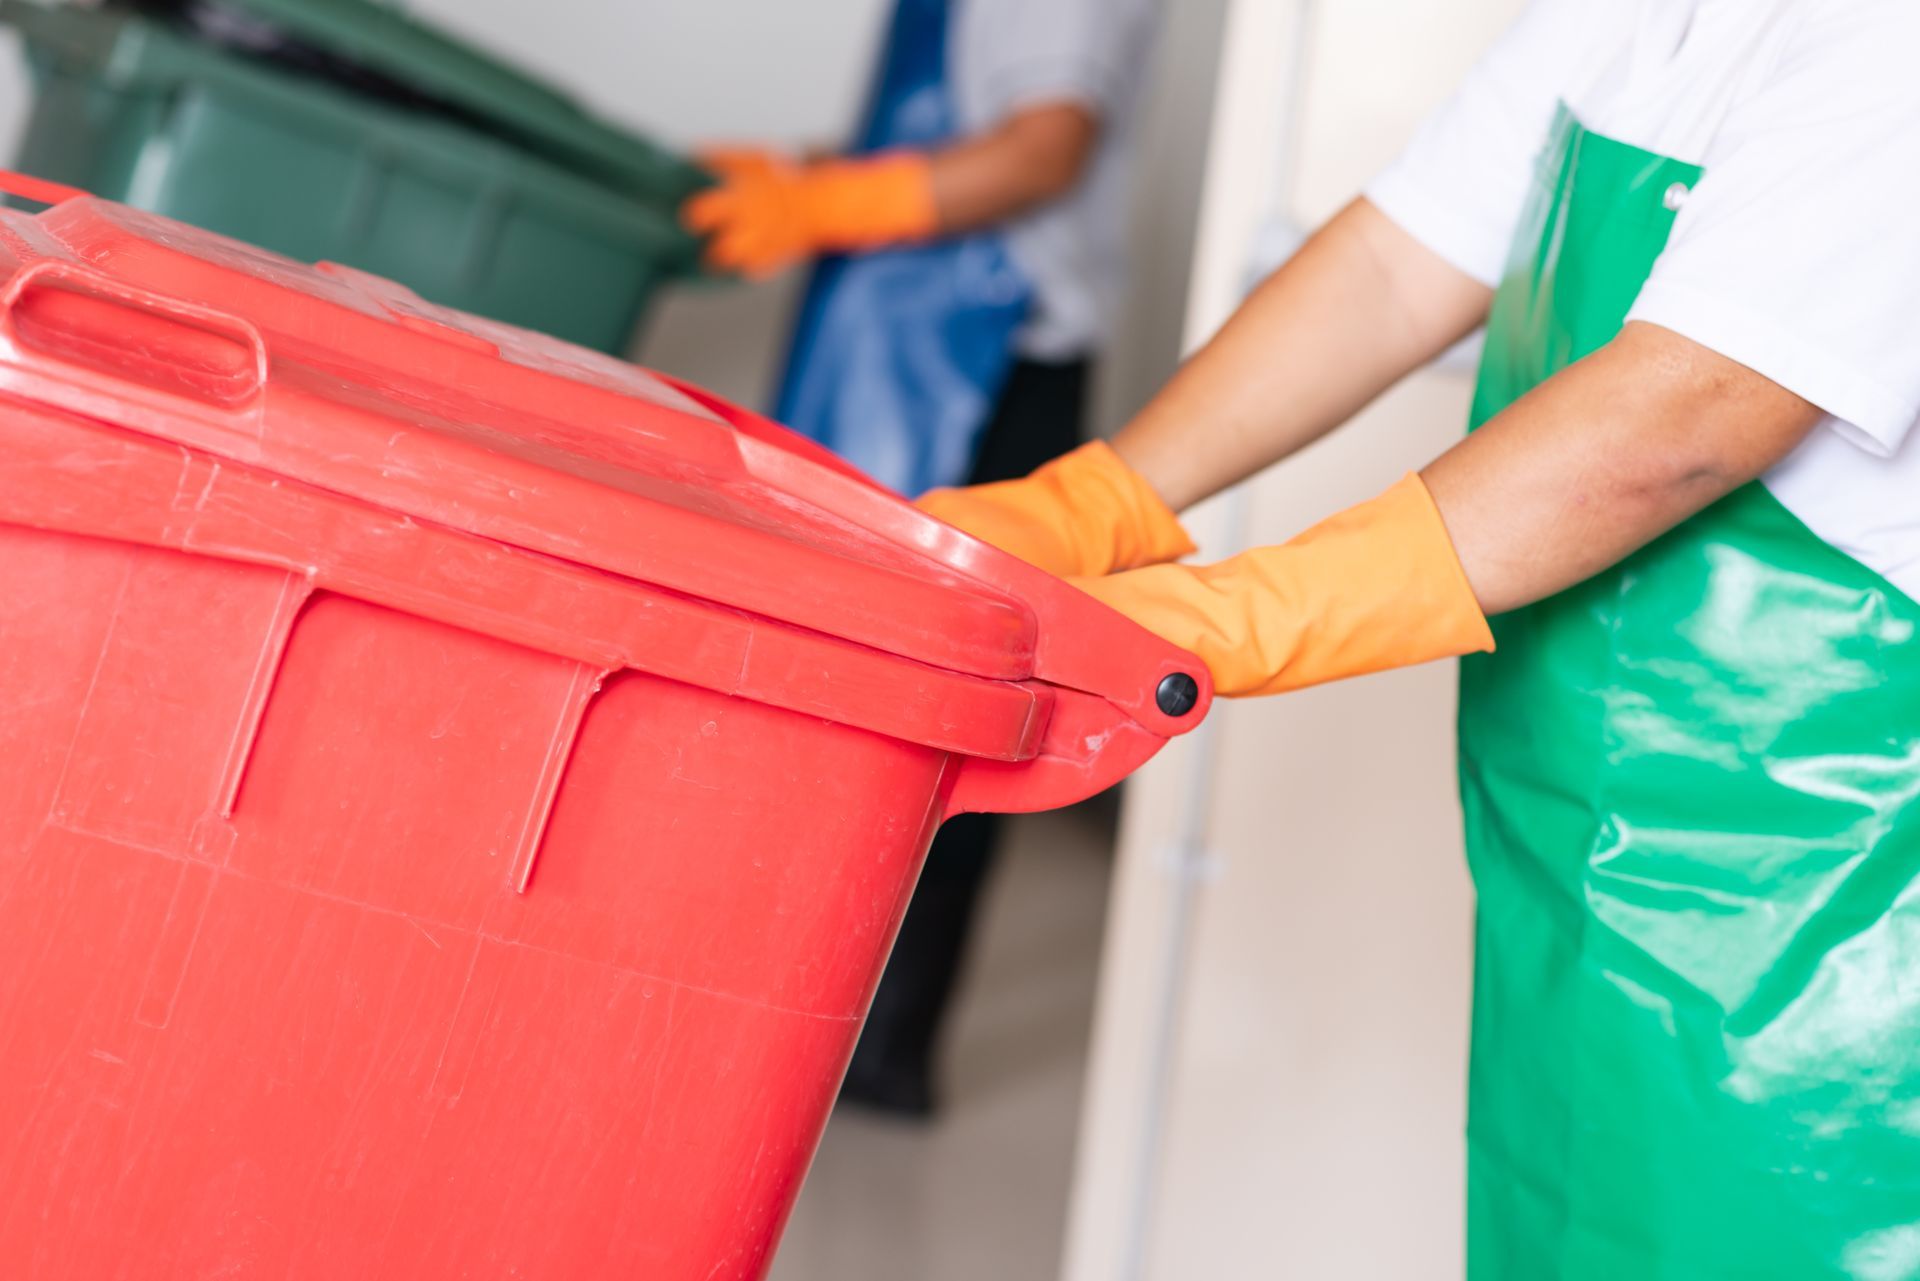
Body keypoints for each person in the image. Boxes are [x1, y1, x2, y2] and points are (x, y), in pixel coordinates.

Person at [920, 1, 1920, 1275]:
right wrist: (1099, 499)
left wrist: (1243, 615)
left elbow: (1688, 416)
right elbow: (1395, 265)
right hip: (1591, 858)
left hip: (1823, 917)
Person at [684, 0, 1162, 1116]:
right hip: (920, 340)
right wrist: (811, 172)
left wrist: (830, 201)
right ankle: (795, 1022)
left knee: (921, 727)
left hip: (980, 370)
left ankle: (868, 1049)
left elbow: (1043, 150)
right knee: (845, 700)